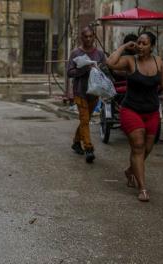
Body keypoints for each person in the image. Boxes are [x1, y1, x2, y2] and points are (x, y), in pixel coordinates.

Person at [106, 32, 163, 201]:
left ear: (152, 46)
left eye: (144, 43)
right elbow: (110, 63)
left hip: (151, 112)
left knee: (147, 148)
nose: (140, 46)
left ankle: (130, 170)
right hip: (131, 110)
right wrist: (124, 47)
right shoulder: (130, 61)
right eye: (138, 43)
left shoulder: (158, 62)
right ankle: (142, 189)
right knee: (138, 145)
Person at [67, 26, 106, 163]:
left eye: (90, 36)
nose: (88, 39)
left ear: (94, 37)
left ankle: (76, 142)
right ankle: (89, 148)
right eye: (85, 36)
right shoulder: (75, 53)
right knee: (84, 120)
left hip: (94, 92)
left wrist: (100, 69)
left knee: (85, 120)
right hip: (80, 92)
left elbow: (106, 69)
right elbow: (69, 73)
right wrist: (83, 69)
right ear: (81, 37)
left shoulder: (99, 54)